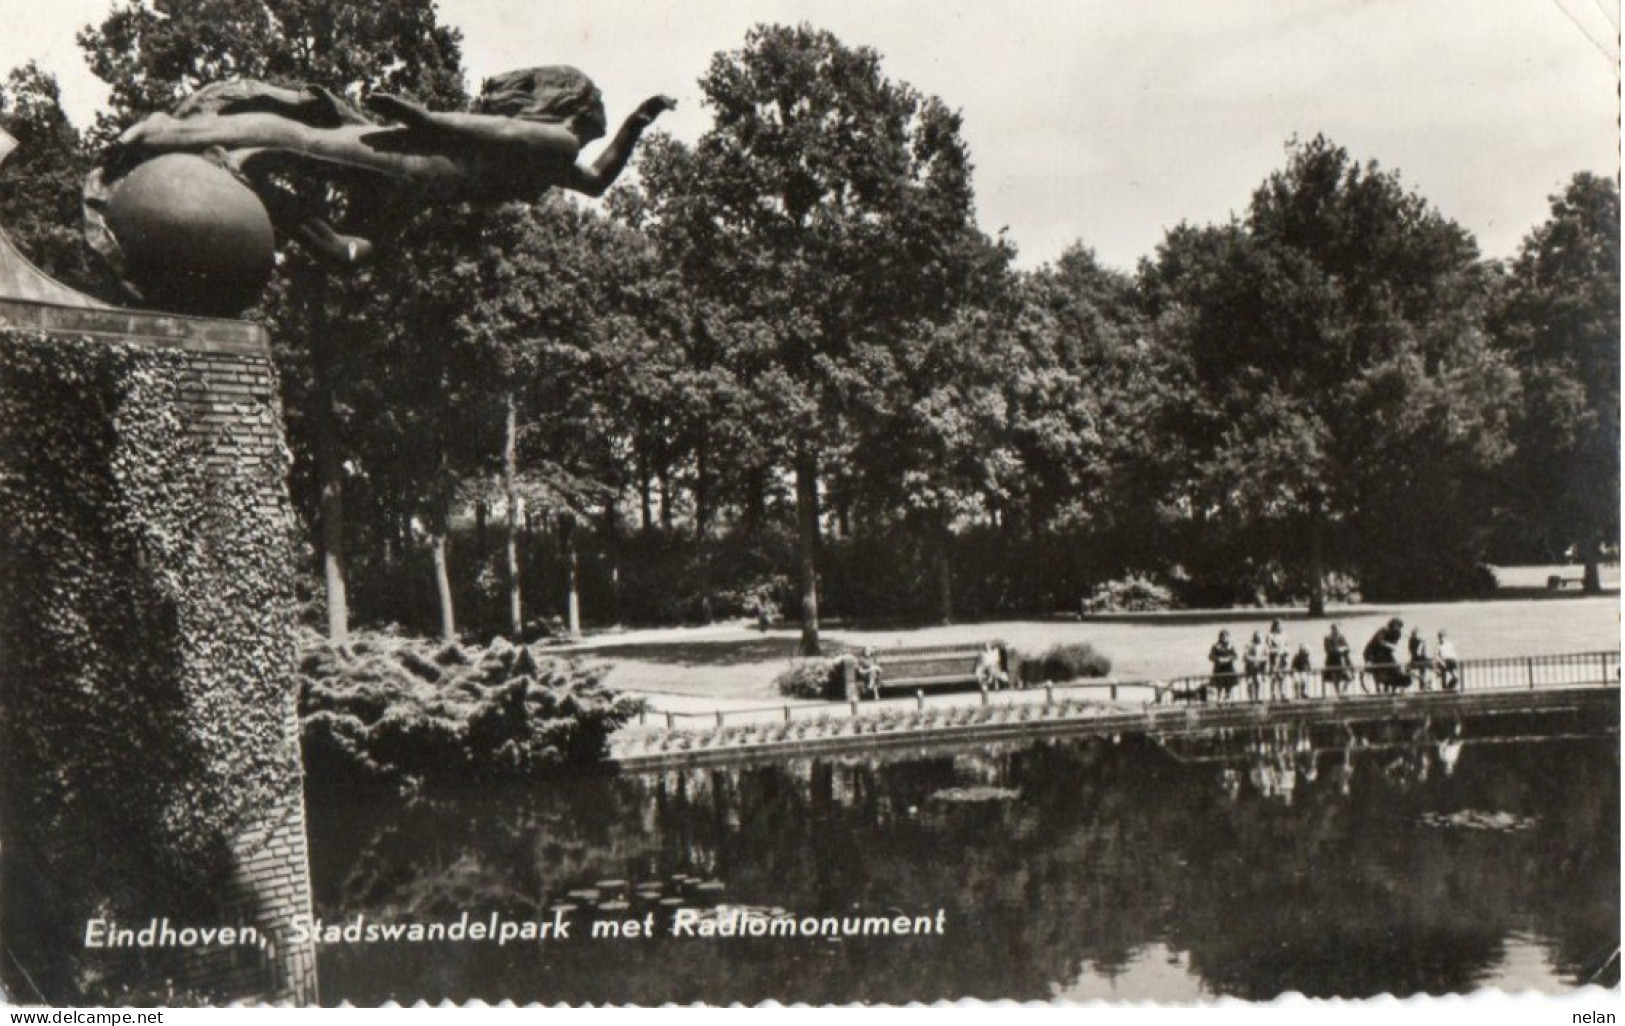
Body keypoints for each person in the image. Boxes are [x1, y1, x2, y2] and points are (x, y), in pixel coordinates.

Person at [93, 69, 676, 267]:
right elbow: (487, 127)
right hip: (411, 164)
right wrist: (424, 120)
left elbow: (598, 182)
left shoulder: (556, 157)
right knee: (298, 140)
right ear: (575, 105)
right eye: (599, 109)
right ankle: (165, 133)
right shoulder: (553, 142)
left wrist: (636, 124)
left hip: (417, 188)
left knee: (351, 253)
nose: (600, 116)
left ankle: (270, 200)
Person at [1208, 629, 1239, 702]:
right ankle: (1219, 699)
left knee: (1229, 684)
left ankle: (1228, 698)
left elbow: (1235, 656)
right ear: (1220, 637)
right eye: (1223, 637)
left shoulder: (1231, 646)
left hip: (1229, 668)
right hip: (1219, 668)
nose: (1225, 638)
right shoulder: (1215, 646)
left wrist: (1229, 659)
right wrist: (1218, 659)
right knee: (1219, 684)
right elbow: (1211, 656)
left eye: (1226, 636)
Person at [1323, 624, 1353, 697]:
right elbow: (1328, 650)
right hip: (1332, 661)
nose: (1337, 630)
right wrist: (1337, 650)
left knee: (1349, 677)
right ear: (1332, 629)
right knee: (1335, 678)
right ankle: (1338, 693)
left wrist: (1343, 649)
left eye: (1338, 629)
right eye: (1335, 629)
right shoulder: (1328, 638)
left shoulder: (1341, 636)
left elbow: (1347, 647)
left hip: (1342, 660)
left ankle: (1343, 690)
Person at [1265, 619, 1290, 701]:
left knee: (1282, 676)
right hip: (1273, 658)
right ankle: (1273, 694)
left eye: (1281, 625)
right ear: (1275, 626)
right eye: (1279, 625)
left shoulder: (1285, 634)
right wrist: (1276, 651)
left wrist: (1285, 651)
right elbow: (1268, 648)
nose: (1280, 627)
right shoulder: (1270, 635)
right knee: (1274, 677)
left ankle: (1283, 693)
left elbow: (1287, 646)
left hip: (1282, 658)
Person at [1243, 630, 1268, 702]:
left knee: (1259, 681)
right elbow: (1245, 655)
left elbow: (1267, 656)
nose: (1258, 638)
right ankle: (1251, 699)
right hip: (1250, 667)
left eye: (1259, 637)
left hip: (1259, 668)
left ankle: (1258, 697)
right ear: (1254, 637)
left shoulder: (1264, 645)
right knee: (1250, 682)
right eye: (1256, 637)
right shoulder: (1248, 644)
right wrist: (1254, 659)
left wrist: (1260, 659)